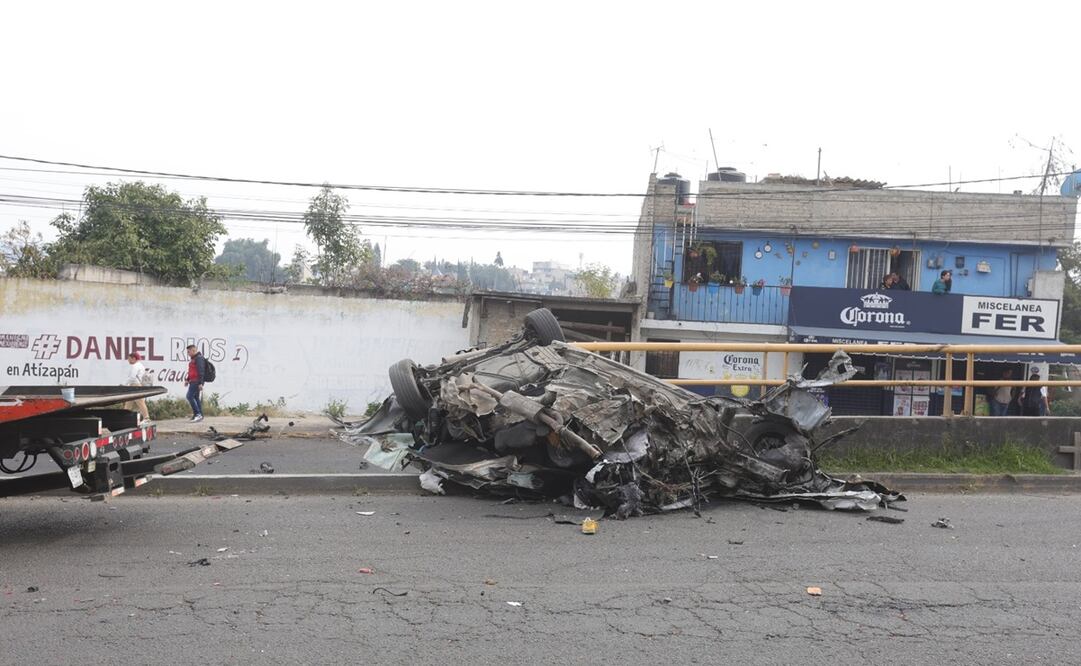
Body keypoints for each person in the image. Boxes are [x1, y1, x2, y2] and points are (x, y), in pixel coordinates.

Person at [122, 353, 151, 423]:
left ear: (134, 358)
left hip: (135, 385)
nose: (128, 360)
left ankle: (146, 418)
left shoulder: (135, 366)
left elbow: (132, 377)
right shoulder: (141, 365)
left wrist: (125, 385)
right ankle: (124, 418)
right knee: (128, 403)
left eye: (129, 359)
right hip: (136, 385)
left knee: (140, 402)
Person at [183, 344, 206, 422]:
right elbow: (191, 371)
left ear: (193, 350)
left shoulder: (199, 358)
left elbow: (201, 371)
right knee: (196, 398)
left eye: (189, 352)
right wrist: (187, 379)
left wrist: (201, 383)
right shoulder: (193, 359)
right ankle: (200, 415)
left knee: (189, 396)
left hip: (196, 381)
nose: (188, 353)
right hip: (192, 381)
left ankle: (198, 414)